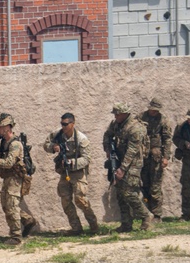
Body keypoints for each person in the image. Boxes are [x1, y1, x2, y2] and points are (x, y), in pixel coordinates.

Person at [0, 113, 38, 245]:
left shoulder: (15, 144)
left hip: (16, 178)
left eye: (1, 127)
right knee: (6, 205)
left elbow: (9, 162)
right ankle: (28, 220)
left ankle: (16, 237)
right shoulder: (4, 142)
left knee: (12, 206)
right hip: (7, 178)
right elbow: (4, 157)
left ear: (8, 127)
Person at [43, 112, 99, 235]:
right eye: (62, 124)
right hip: (65, 172)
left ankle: (94, 226)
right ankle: (76, 229)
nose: (63, 126)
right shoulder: (57, 134)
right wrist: (53, 147)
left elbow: (87, 158)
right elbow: (46, 144)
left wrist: (72, 162)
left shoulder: (81, 139)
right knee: (65, 201)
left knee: (80, 200)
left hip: (78, 172)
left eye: (66, 124)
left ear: (73, 124)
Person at [103, 103, 155, 232]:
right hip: (119, 160)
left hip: (132, 164)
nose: (116, 116)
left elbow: (132, 151)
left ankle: (146, 215)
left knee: (129, 193)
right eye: (115, 114)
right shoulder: (116, 124)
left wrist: (122, 169)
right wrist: (108, 149)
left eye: (118, 114)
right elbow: (107, 135)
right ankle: (126, 224)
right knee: (120, 194)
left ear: (125, 113)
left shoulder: (135, 128)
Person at [138, 98, 172, 219]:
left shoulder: (163, 121)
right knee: (144, 185)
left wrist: (166, 157)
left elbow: (167, 139)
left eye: (155, 110)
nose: (153, 112)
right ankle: (146, 213)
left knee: (155, 187)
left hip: (156, 157)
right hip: (142, 157)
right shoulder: (141, 117)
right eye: (152, 110)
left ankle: (157, 215)